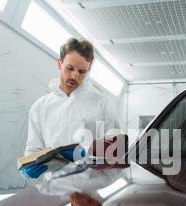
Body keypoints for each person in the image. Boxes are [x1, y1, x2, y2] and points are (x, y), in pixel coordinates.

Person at [22, 38, 119, 179]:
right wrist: (28, 169)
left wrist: (87, 153)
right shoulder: (40, 107)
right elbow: (32, 149)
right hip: (55, 186)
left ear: (89, 70)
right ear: (59, 63)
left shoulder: (102, 103)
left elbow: (115, 150)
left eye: (82, 71)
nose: (75, 76)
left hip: (89, 188)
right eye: (70, 68)